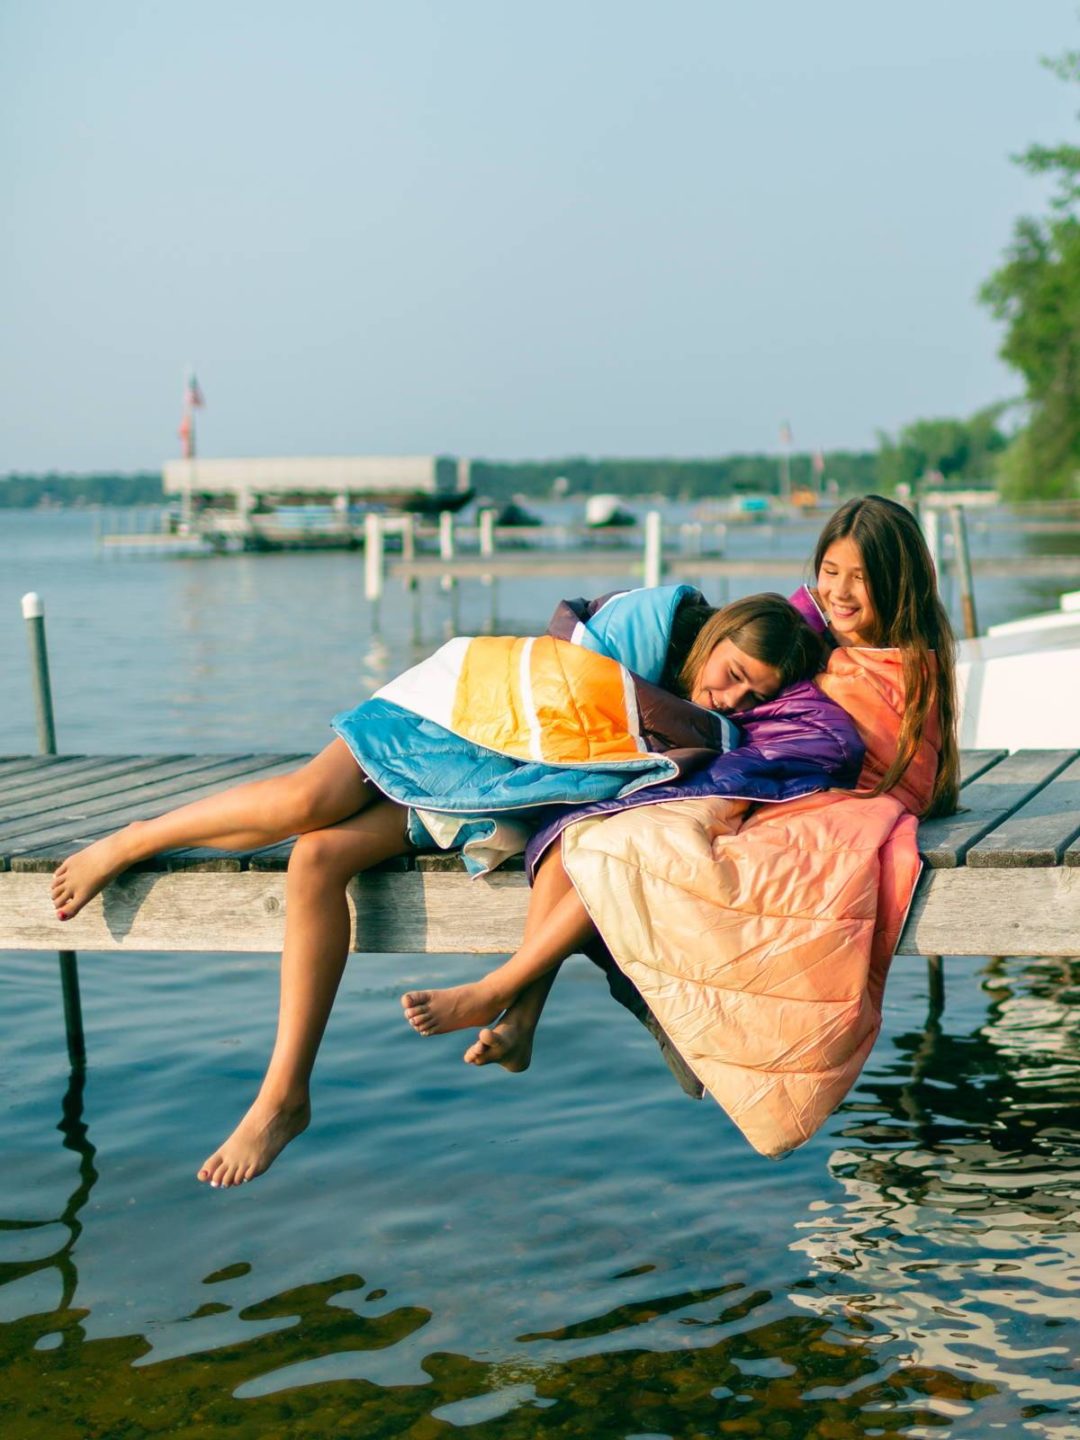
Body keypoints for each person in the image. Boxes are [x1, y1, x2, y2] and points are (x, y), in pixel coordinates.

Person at [49, 588, 841, 1187]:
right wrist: (677, 725)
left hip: (497, 785)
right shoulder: (658, 621)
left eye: (752, 696)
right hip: (456, 715)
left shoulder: (714, 728)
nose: (731, 698)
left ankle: (284, 1096)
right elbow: (565, 660)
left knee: (325, 857)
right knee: (307, 808)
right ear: (719, 634)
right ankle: (131, 839)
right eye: (732, 674)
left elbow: (621, 787)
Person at [411, 493, 958, 1083]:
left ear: (898, 585)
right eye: (830, 572)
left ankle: (509, 988)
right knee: (575, 834)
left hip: (817, 803)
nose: (840, 592)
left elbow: (862, 756)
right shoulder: (824, 636)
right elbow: (769, 649)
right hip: (782, 788)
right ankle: (522, 1021)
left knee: (621, 848)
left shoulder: (897, 665)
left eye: (862, 578)